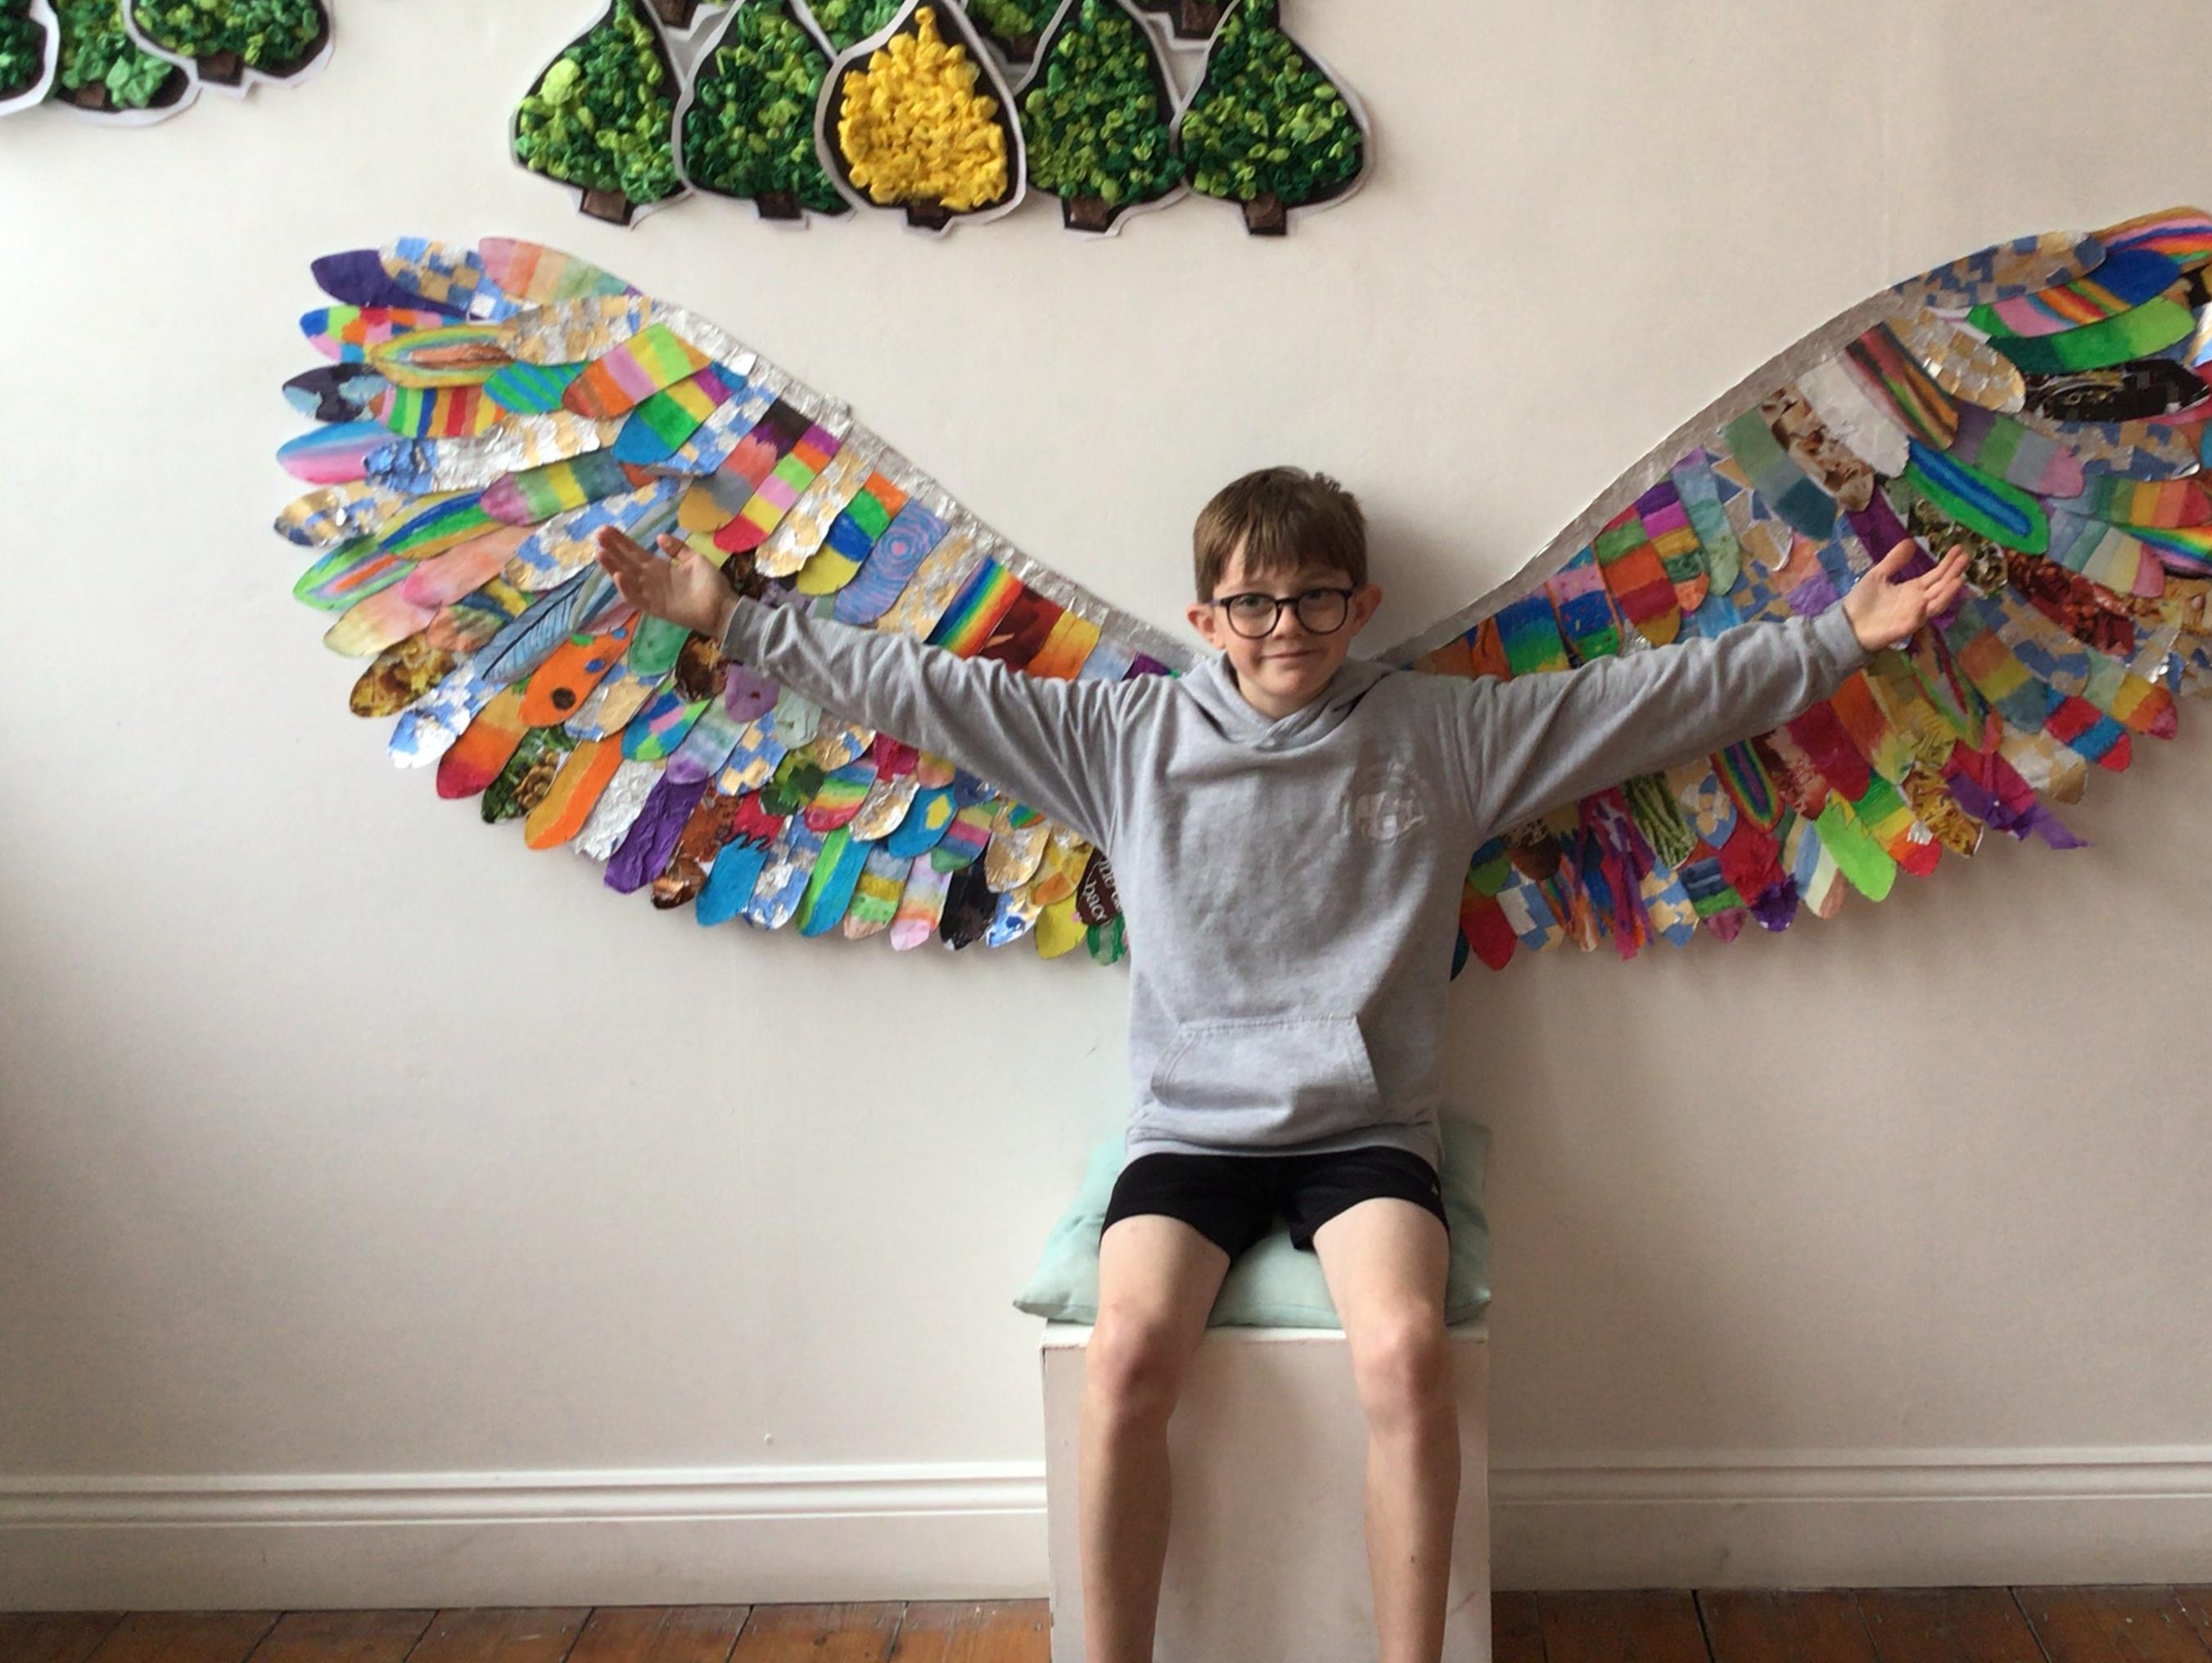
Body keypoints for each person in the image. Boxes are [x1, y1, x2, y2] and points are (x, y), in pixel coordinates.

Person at [594, 467, 1966, 1663]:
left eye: (1314, 600)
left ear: (1361, 606)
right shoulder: (1124, 740)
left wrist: (1840, 636)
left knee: (1407, 1355)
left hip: (1367, 1130)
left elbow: (1646, 702)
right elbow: (929, 691)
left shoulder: (1443, 734)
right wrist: (731, 616)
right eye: (1252, 604)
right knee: (1125, 1356)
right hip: (1189, 1129)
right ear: (1206, 620)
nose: (1284, 628)